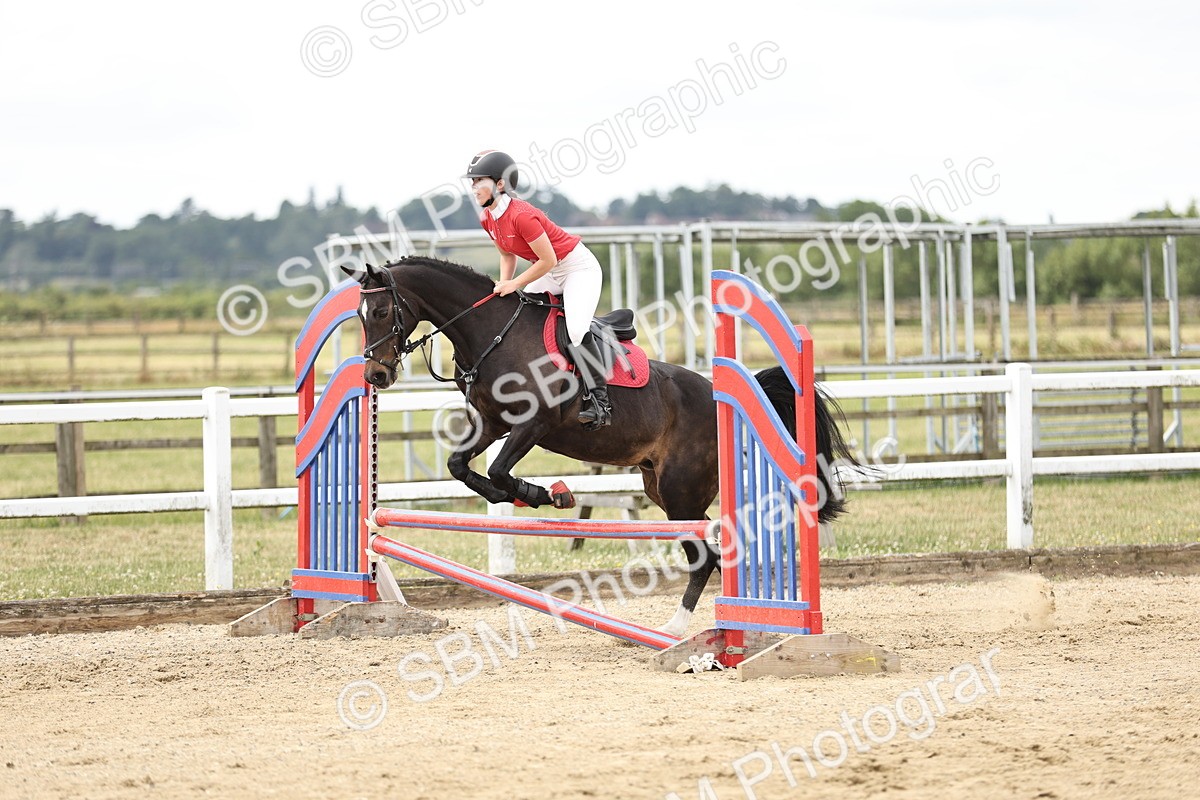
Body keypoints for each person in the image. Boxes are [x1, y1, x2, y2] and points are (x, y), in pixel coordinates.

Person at [463, 149, 612, 430]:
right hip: (551, 271)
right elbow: (508, 255)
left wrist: (515, 284)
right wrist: (501, 287)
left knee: (576, 330)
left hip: (577, 269)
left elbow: (549, 259)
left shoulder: (522, 216)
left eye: (478, 181)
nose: (473, 188)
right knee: (519, 313)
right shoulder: (488, 218)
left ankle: (600, 402)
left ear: (500, 184)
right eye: (472, 182)